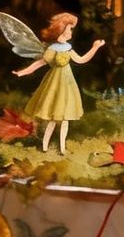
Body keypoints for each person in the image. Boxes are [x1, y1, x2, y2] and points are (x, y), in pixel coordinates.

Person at [12, 12, 105, 152]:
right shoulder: (52, 49)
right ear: (61, 30)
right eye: (70, 28)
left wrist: (95, 47)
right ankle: (44, 146)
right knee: (53, 119)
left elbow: (81, 60)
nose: (71, 32)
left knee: (65, 118)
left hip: (68, 84)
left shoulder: (68, 48)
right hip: (55, 83)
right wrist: (23, 72)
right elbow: (39, 63)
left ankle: (62, 148)